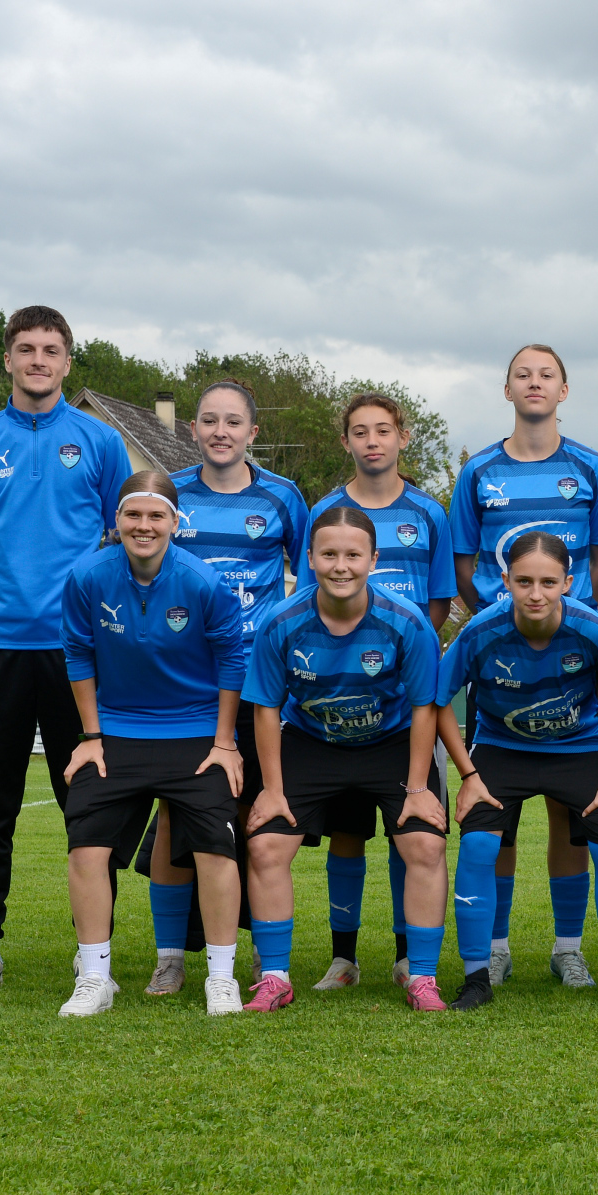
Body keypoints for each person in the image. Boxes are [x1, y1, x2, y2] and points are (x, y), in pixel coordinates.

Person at [0, 306, 130, 999]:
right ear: (8, 359)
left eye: (51, 350)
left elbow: (119, 540)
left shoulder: (101, 441)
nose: (39, 360)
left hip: (76, 652)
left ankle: (94, 956)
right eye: (27, 349)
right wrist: (13, 597)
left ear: (67, 361)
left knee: (88, 807)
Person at [448, 344, 598, 994]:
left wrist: (574, 621)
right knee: (498, 819)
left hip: (572, 659)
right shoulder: (478, 471)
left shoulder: (592, 468)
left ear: (563, 390)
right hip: (504, 663)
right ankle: (494, 949)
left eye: (546, 374)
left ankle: (567, 948)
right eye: (523, 374)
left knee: (570, 819)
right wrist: (500, 627)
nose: (535, 383)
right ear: (507, 389)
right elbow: (464, 564)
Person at [139, 379, 310, 997]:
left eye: (233, 422)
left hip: (259, 683)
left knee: (255, 815)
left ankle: (263, 955)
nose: (220, 431)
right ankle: (170, 957)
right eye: (209, 420)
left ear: (252, 432)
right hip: (186, 683)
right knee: (174, 815)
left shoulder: (284, 496)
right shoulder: (171, 493)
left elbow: (308, 583)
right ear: (192, 429)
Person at [240, 506, 449, 1012]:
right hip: (312, 741)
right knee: (265, 846)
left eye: (353, 555)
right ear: (309, 559)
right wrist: (272, 790)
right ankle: (274, 978)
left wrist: (418, 789)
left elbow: (425, 706)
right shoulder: (281, 622)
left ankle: (422, 977)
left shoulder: (407, 621)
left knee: (425, 844)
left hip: (392, 742)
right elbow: (265, 708)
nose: (340, 566)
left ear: (373, 560)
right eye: (328, 554)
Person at [55, 473, 248, 1016]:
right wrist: (91, 737)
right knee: (86, 846)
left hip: (195, 731)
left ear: (174, 523)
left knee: (216, 848)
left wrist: (225, 742)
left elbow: (232, 660)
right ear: (116, 520)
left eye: (156, 515)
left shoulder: (203, 582)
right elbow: (77, 653)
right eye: (133, 515)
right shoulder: (87, 576)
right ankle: (95, 978)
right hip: (116, 732)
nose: (144, 526)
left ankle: (221, 978)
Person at [436, 531, 598, 1012]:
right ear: (506, 581)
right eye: (525, 582)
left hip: (579, 748)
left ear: (568, 583)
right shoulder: (481, 630)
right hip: (501, 747)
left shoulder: (591, 628)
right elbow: (437, 701)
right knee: (478, 844)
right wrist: (468, 776)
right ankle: (481, 971)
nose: (536, 594)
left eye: (549, 582)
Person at [301, 391, 457, 989]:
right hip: (337, 698)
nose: (372, 441)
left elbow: (438, 602)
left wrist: (399, 654)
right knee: (346, 833)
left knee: (408, 828)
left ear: (402, 438)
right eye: (360, 431)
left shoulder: (429, 512)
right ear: (346, 441)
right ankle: (343, 958)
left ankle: (405, 957)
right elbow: (311, 595)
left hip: (404, 701)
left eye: (383, 430)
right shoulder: (324, 510)